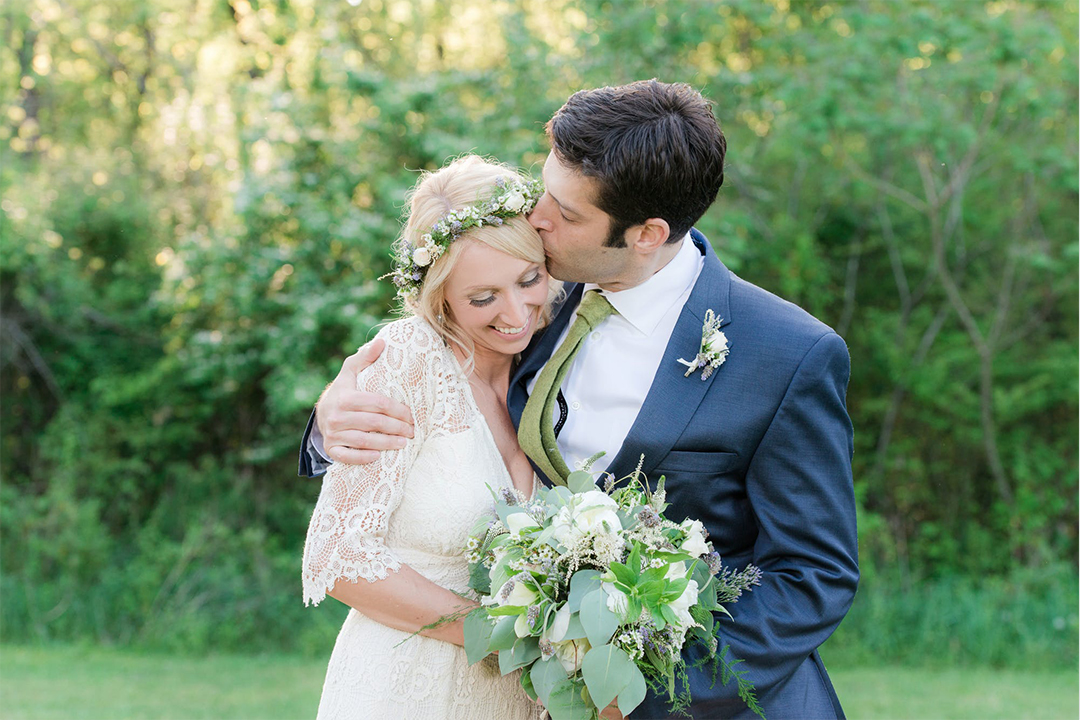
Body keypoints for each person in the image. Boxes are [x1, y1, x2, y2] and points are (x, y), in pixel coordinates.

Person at [302, 80, 860, 720]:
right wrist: (328, 424)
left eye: (567, 215)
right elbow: (445, 376)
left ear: (647, 233)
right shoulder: (535, 299)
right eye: (546, 192)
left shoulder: (787, 354)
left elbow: (812, 575)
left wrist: (641, 697)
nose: (537, 219)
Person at [300, 155, 553, 720]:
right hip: (405, 687)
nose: (516, 313)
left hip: (515, 700)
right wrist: (497, 633)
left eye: (529, 279)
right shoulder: (407, 363)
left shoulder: (557, 356)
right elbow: (336, 556)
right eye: (482, 298)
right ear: (439, 297)